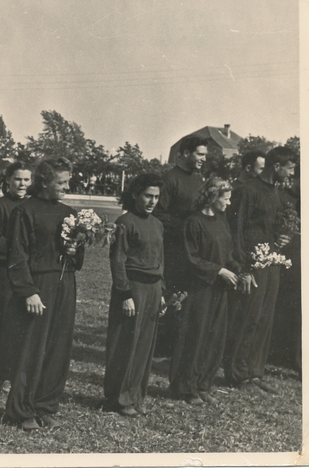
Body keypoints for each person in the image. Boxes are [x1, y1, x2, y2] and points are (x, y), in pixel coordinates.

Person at [4, 157, 82, 431]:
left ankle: (46, 405)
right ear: (45, 182)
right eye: (61, 182)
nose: (66, 187)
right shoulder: (25, 211)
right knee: (32, 348)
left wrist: (74, 250)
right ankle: (21, 410)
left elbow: (76, 259)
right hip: (38, 284)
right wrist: (28, 291)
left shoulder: (69, 212)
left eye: (68, 182)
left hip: (65, 282)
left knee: (59, 347)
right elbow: (17, 254)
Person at [225, 146, 296, 393]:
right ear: (276, 166)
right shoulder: (247, 191)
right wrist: (242, 268)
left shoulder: (277, 192)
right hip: (251, 264)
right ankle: (238, 374)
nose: (292, 173)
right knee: (247, 317)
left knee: (264, 319)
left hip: (271, 262)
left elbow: (275, 227)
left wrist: (284, 238)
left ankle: (255, 372)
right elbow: (235, 230)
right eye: (290, 168)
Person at [169, 178, 244, 405]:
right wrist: (219, 270)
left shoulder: (221, 221)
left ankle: (203, 385)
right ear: (212, 197)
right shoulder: (193, 223)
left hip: (219, 290)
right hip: (199, 289)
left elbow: (227, 254)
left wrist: (238, 270)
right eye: (226, 199)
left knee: (214, 338)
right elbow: (190, 258)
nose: (228, 203)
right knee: (195, 336)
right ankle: (186, 388)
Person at [103, 173, 165, 417]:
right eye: (148, 196)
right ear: (136, 195)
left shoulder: (157, 224)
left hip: (153, 288)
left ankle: (136, 395)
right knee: (125, 343)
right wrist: (125, 293)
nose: (152, 201)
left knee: (144, 345)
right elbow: (118, 260)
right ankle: (118, 398)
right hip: (133, 288)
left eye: (156, 197)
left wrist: (161, 291)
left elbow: (160, 259)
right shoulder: (125, 222)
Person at [151, 136, 208, 358]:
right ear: (185, 153)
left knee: (185, 300)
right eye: (200, 154)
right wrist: (187, 228)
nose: (204, 159)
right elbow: (158, 215)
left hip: (191, 252)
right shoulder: (169, 179)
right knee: (170, 299)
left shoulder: (199, 179)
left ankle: (176, 348)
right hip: (172, 251)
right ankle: (160, 350)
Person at [0, 161, 32, 391]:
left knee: (22, 323)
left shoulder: (33, 206)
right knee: (0, 323)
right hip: (3, 273)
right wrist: (20, 256)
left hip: (27, 273)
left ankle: (18, 372)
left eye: (26, 179)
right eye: (17, 179)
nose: (22, 184)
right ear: (8, 181)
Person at [270, 163, 301, 371]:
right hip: (285, 260)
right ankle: (279, 353)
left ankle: (296, 357)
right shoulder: (281, 197)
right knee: (283, 305)